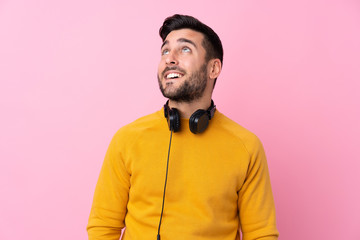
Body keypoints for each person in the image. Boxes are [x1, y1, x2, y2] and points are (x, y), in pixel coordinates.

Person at [87, 14, 279, 240]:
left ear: (214, 69)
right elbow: (103, 227)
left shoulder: (246, 146)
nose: (170, 59)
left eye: (185, 49)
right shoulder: (127, 139)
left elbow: (261, 234)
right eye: (165, 51)